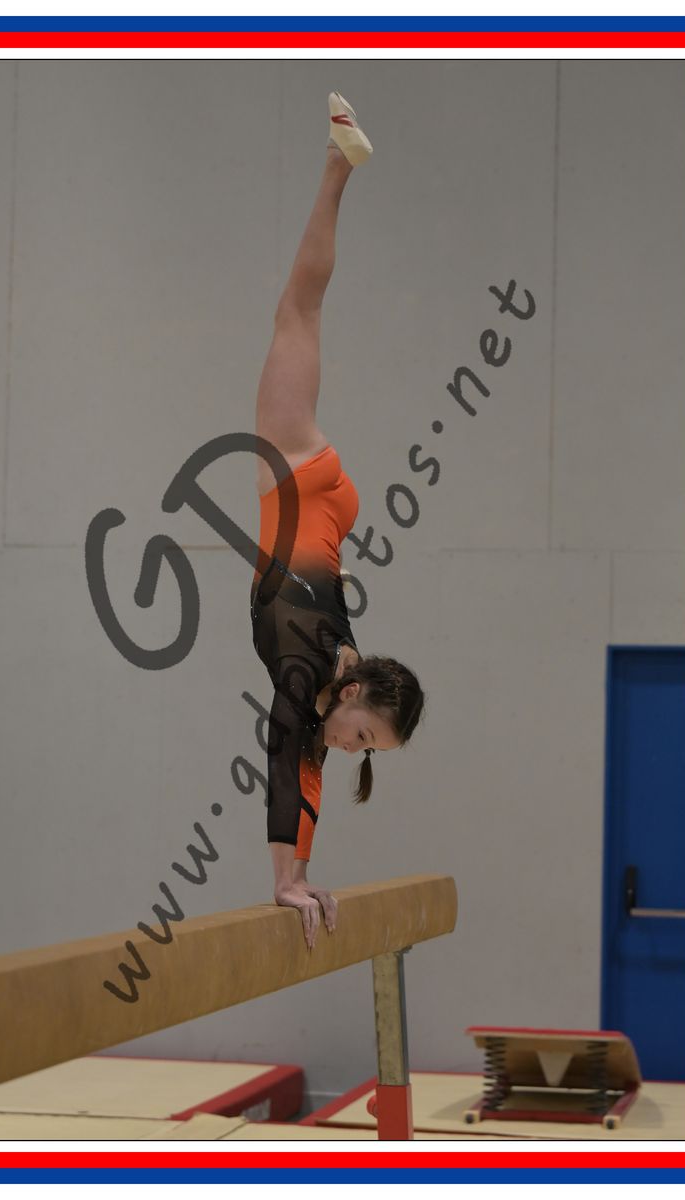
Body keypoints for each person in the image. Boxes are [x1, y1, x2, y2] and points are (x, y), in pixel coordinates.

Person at [250, 93, 425, 951]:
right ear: (353, 695)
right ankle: (336, 164)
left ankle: (338, 164)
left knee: (301, 314)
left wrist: (299, 874)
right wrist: (285, 879)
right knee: (300, 310)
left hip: (326, 509)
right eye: (363, 737)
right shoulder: (303, 671)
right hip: (297, 479)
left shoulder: (335, 669)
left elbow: (307, 768)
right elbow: (287, 761)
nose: (351, 748)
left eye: (366, 750)